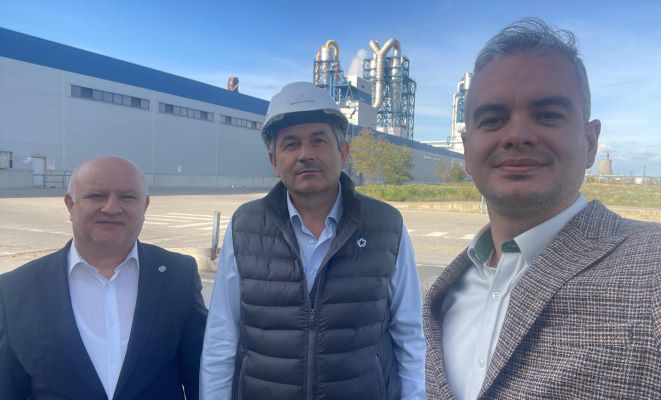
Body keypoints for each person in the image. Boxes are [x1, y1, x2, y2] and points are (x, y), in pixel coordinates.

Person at [424, 18, 661, 399]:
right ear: (467, 151)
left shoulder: (652, 267)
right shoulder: (446, 293)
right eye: (493, 119)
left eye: (548, 115)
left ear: (590, 142)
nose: (517, 135)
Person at [200, 82, 425, 399]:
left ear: (343, 152)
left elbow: (410, 335)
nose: (305, 154)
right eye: (290, 144)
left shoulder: (386, 226)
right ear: (274, 161)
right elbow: (222, 336)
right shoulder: (245, 227)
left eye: (318, 140)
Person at [0, 156, 208, 400]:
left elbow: (201, 379)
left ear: (145, 206)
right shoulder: (16, 290)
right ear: (70, 205)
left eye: (127, 197)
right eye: (96, 196)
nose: (111, 208)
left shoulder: (178, 276)